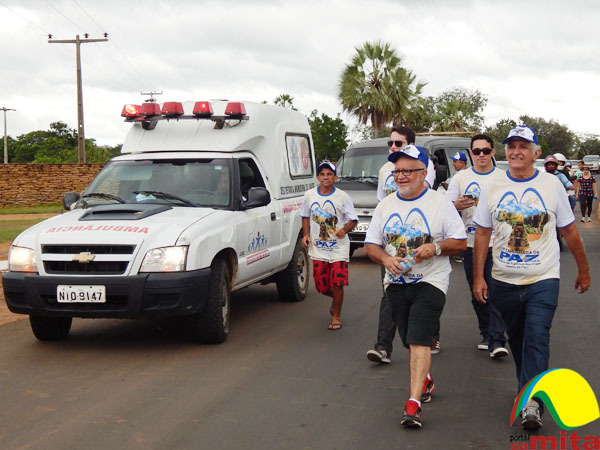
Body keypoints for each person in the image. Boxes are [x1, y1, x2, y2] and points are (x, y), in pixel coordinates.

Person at [472, 125, 591, 431]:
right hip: (503, 280)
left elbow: (569, 230)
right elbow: (483, 232)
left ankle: (532, 403)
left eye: (523, 146)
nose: (516, 152)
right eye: (511, 146)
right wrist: (478, 277)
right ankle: (528, 391)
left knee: (537, 335)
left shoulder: (551, 185)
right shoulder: (493, 185)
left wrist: (583, 270)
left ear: (536, 153)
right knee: (519, 339)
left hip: (543, 277)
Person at [364, 145, 466, 428]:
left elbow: (460, 242)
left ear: (424, 173)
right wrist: (386, 258)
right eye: (397, 171)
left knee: (419, 337)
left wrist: (435, 247)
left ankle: (413, 403)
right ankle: (427, 380)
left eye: (408, 170)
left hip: (431, 281)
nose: (401, 176)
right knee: (409, 339)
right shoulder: (386, 205)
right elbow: (371, 245)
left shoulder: (440, 203)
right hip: (395, 282)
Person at [368, 126, 438, 364]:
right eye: (391, 144)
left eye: (398, 144)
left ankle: (429, 334)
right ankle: (383, 347)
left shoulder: (423, 167)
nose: (393, 148)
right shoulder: (384, 170)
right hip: (392, 246)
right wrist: (385, 253)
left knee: (423, 297)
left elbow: (424, 195)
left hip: (419, 247)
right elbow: (382, 202)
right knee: (390, 293)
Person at [445, 134, 508, 357]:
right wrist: (456, 204)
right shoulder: (461, 178)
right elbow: (444, 207)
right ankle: (487, 332)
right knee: (478, 292)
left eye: (486, 150)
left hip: (499, 244)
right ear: (471, 153)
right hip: (470, 244)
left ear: (493, 153)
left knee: (496, 290)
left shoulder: (503, 177)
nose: (481, 155)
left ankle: (497, 339)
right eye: (477, 151)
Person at [300, 161, 358, 330]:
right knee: (321, 285)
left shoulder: (342, 197)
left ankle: (336, 316)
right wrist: (305, 234)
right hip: (318, 249)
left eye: (329, 174)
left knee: (337, 283)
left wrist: (344, 230)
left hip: (338, 248)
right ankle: (336, 300)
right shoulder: (309, 195)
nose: (326, 177)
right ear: (318, 177)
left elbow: (353, 219)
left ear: (335, 177)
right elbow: (305, 215)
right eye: (322, 174)